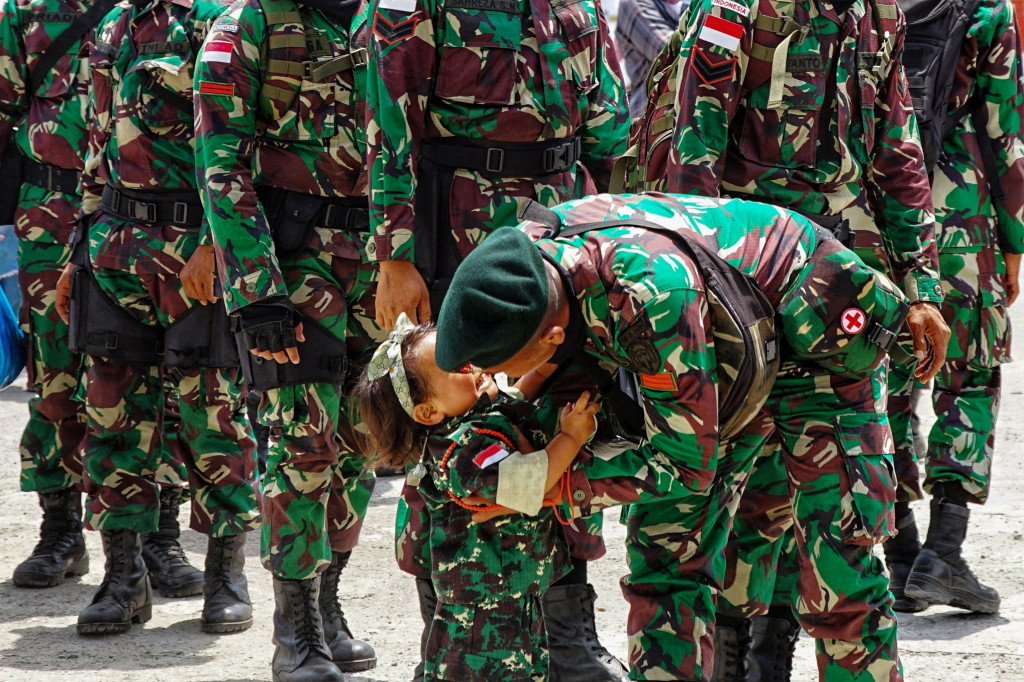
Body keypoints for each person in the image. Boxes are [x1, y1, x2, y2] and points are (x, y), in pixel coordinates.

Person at [645, 0, 951, 676]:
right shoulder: (732, 11)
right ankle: (739, 659)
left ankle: (782, 651)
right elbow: (690, 169)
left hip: (839, 302)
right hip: (742, 300)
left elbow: (898, 153)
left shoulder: (877, 13)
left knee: (848, 522)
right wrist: (698, 311)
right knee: (724, 516)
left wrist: (922, 286)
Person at [366, 0, 631, 677]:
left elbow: (608, 125)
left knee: (566, 399)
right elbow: (390, 117)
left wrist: (619, 224)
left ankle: (567, 629)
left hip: (562, 227)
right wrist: (395, 253)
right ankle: (448, 612)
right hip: (461, 229)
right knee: (453, 426)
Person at [53, 0, 260, 636]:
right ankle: (124, 578)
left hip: (193, 250)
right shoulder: (115, 24)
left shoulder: (220, 20)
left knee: (211, 417)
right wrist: (77, 250)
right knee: (111, 415)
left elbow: (241, 139)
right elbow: (97, 144)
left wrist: (216, 242)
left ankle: (226, 575)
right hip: (116, 246)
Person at [194, 0, 380, 678]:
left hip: (381, 264)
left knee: (364, 443)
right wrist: (256, 291)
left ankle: (328, 607)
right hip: (294, 267)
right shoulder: (248, 25)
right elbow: (220, 164)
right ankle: (295, 635)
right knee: (303, 445)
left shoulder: (389, 16)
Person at [885, 0, 1024, 616]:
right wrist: (1015, 240)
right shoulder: (985, 9)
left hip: (881, 215)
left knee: (885, 384)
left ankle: (899, 553)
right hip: (959, 215)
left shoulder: (864, 7)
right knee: (970, 376)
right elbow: (1005, 132)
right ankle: (942, 555)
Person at [616, 0, 687, 115]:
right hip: (652, 114)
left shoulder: (689, 6)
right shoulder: (633, 3)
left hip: (688, 109)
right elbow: (671, 53)